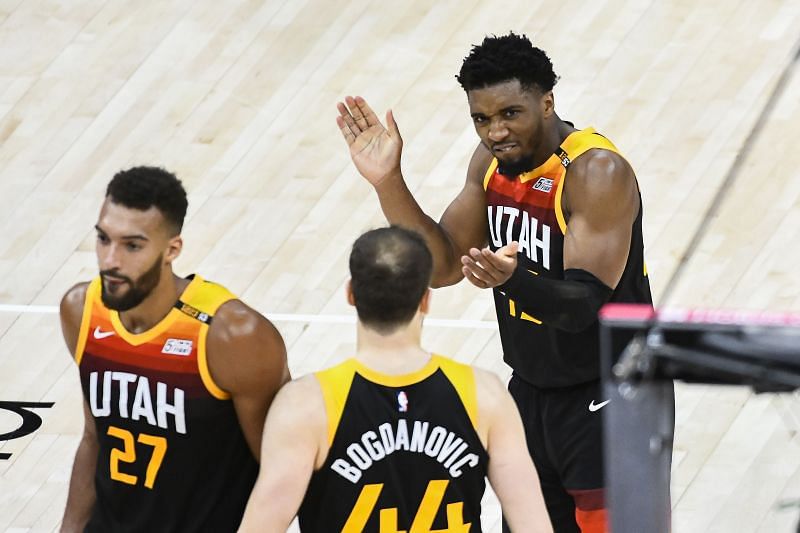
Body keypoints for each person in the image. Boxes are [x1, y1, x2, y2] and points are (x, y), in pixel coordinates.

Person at [336, 33, 658, 532]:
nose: (495, 131)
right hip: (531, 390)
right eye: (482, 118)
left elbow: (581, 307)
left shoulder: (596, 172)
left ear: (547, 102)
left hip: (613, 392)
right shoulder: (489, 166)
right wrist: (387, 180)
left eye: (511, 113)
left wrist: (514, 280)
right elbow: (441, 266)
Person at [238, 226, 552, 532]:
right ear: (425, 300)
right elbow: (533, 525)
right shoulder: (485, 395)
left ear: (351, 294)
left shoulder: (306, 405)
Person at [59, 167, 290, 532]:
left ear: (172, 250)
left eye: (132, 245)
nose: (110, 260)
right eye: (104, 239)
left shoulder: (232, 336)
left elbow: (282, 473)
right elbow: (94, 437)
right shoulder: (81, 311)